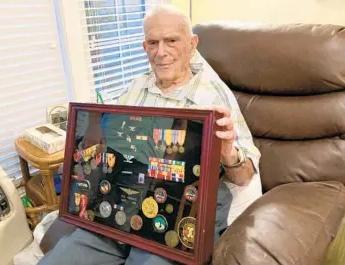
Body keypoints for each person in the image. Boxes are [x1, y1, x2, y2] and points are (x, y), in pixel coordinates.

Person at [38, 4, 261, 265]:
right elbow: (105, 120)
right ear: (145, 47)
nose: (161, 52)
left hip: (182, 208)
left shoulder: (213, 97)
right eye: (153, 43)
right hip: (126, 199)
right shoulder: (136, 86)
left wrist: (228, 154)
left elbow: (244, 177)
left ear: (192, 44)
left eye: (171, 41)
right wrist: (93, 123)